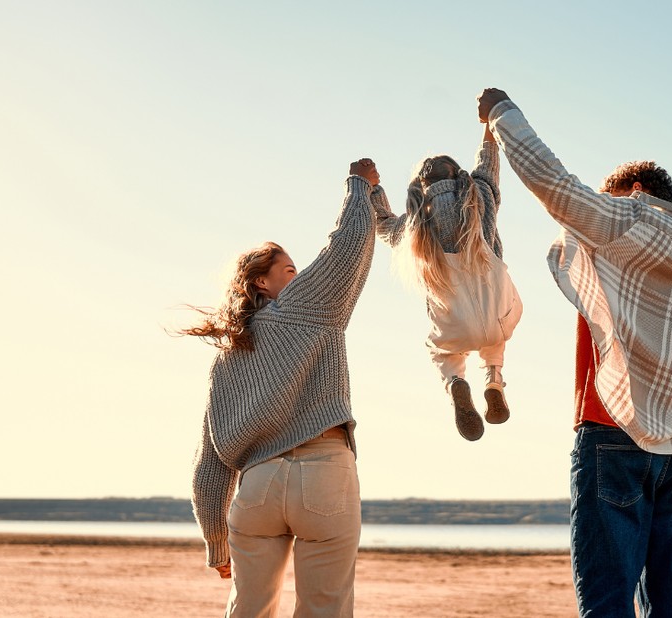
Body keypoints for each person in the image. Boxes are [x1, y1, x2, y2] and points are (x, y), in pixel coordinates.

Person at [477, 88, 672, 617]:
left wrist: (502, 114)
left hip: (610, 434)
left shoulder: (625, 220)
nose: (596, 207)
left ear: (635, 190)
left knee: (607, 601)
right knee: (669, 602)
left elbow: (556, 186)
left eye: (607, 194)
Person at [182, 159, 381, 617]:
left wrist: (216, 541)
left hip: (257, 488)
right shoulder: (304, 308)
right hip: (323, 474)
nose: (299, 277)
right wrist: (359, 187)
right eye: (290, 270)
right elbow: (344, 253)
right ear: (262, 282)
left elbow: (210, 459)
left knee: (248, 609)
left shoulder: (228, 356)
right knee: (324, 608)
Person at [371, 126, 522, 441]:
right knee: (496, 331)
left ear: (419, 191)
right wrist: (488, 131)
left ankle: (455, 382)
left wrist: (372, 189)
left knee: (440, 350)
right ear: (460, 176)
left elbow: (382, 223)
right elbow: (488, 168)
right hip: (499, 316)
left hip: (453, 327)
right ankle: (494, 380)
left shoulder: (413, 230)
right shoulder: (480, 201)